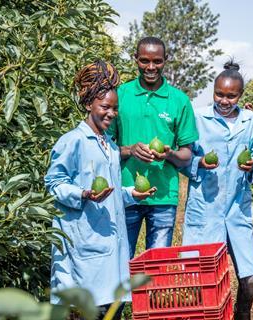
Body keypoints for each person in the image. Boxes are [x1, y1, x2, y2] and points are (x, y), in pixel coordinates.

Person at [44, 61, 155, 319]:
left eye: (115, 109)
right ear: (88, 104)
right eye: (105, 107)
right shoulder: (72, 142)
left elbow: (110, 192)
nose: (111, 113)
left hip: (109, 254)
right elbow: (53, 184)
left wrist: (130, 194)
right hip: (85, 249)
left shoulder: (110, 145)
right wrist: (83, 194)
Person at [181, 61, 253, 320]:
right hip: (206, 206)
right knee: (201, 274)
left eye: (231, 96)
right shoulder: (197, 118)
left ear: (240, 96)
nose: (224, 100)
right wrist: (198, 163)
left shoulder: (251, 121)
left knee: (249, 276)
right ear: (213, 91)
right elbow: (183, 157)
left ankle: (242, 314)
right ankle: (207, 314)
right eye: (219, 94)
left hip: (237, 207)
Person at [107, 36, 199, 258]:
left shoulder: (179, 100)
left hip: (163, 196)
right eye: (144, 60)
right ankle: (128, 295)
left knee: (158, 267)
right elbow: (104, 148)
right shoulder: (120, 95)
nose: (150, 67)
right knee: (122, 261)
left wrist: (170, 154)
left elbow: (187, 155)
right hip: (126, 192)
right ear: (135, 59)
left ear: (166, 60)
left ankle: (151, 295)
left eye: (157, 61)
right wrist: (129, 150)